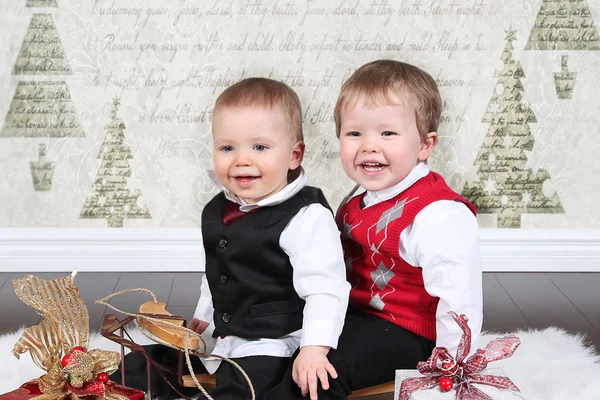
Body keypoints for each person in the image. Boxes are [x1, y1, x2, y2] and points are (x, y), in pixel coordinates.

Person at [266, 59, 482, 400]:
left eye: (388, 133)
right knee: (277, 344)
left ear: (425, 144)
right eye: (355, 133)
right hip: (353, 311)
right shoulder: (361, 196)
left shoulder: (437, 214)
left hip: (408, 332)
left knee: (320, 374)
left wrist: (450, 366)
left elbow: (460, 299)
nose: (368, 145)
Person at [186, 77, 350, 400]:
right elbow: (218, 276)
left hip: (274, 342)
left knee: (241, 388)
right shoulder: (217, 209)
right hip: (225, 337)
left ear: (293, 155)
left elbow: (325, 290)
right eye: (227, 147)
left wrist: (314, 350)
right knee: (156, 363)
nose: (242, 159)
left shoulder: (306, 217)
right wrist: (202, 320)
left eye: (259, 147)